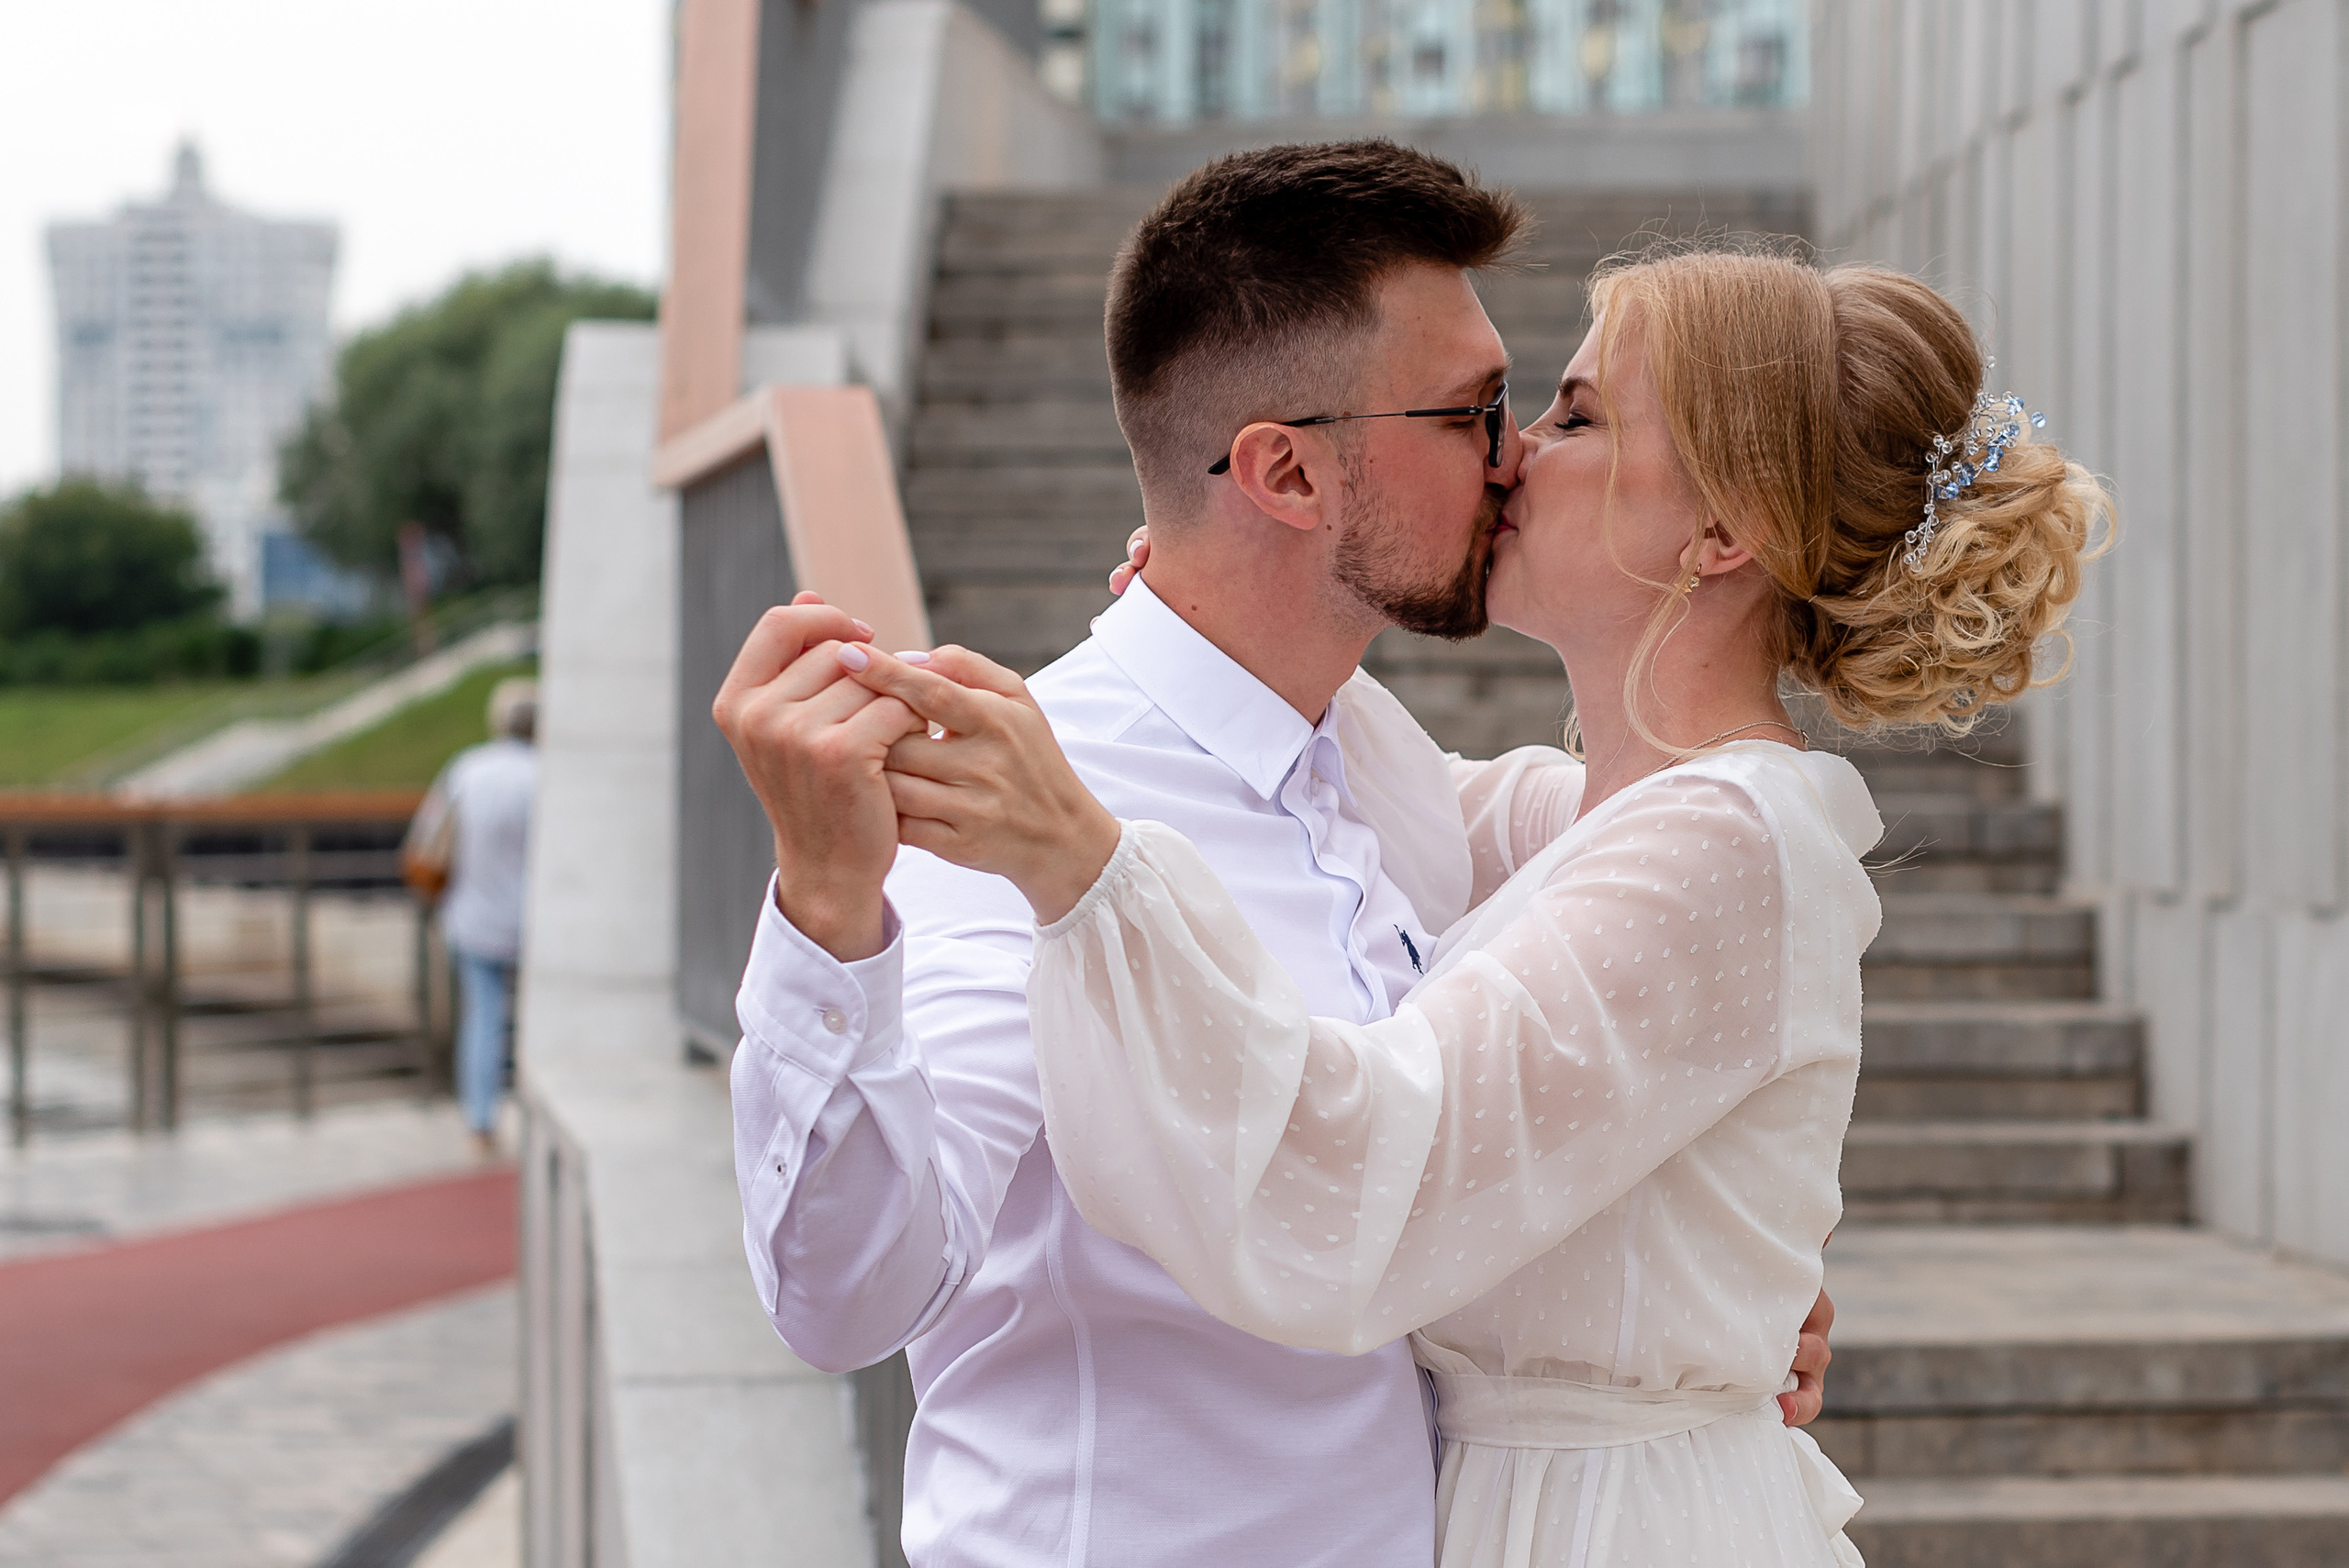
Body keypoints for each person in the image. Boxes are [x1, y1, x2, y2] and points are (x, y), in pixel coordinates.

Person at [804, 248, 2107, 1566]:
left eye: (1579, 417)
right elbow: (1373, 791)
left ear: (1724, 531)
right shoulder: (1609, 814)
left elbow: (1365, 1174)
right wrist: (1223, 608)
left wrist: (1084, 867)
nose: (1513, 457)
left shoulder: (1731, 840)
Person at [715, 143, 1829, 1568]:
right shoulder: (1027, 805)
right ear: (1288, 470)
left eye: (1531, 407)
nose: (1515, 460)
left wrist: (1708, 1290)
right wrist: (825, 909)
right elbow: (849, 1298)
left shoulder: (1392, 781)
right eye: (1476, 413)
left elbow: (1619, 944)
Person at [409, 675, 538, 1151]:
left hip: (472, 916)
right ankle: (530, 1114)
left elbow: (427, 836)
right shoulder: (544, 774)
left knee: (482, 1018)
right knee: (534, 1022)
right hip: (532, 923)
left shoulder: (468, 770)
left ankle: (480, 1121)